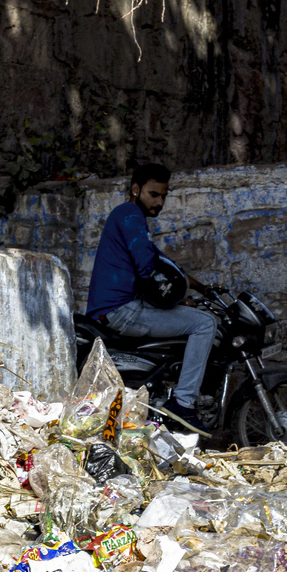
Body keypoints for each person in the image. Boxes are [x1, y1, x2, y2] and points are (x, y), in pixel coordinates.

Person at [85, 162, 216, 430]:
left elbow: (163, 263)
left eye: (164, 196)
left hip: (119, 309)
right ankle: (183, 403)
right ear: (136, 189)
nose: (159, 201)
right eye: (153, 194)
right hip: (122, 310)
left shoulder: (130, 218)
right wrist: (178, 300)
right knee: (205, 324)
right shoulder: (130, 214)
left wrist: (201, 288)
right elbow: (148, 269)